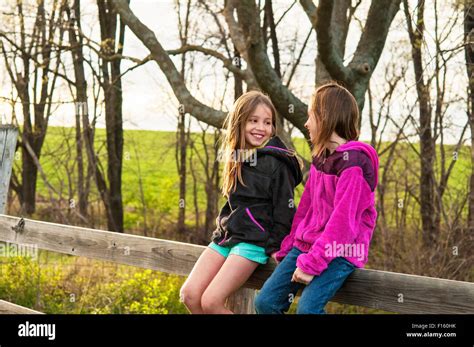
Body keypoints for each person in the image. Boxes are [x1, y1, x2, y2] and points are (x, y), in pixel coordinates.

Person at [255, 82, 379, 314]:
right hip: (308, 246)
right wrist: (290, 245)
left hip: (342, 250)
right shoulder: (321, 158)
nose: (306, 123)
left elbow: (343, 225)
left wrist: (313, 263)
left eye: (310, 116)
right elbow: (306, 210)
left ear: (326, 117)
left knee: (308, 310)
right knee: (265, 302)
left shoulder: (354, 164)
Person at [180, 90, 302, 314]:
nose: (261, 127)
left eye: (267, 122)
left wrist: (275, 246)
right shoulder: (238, 158)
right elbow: (231, 204)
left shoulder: (277, 163)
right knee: (189, 294)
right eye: (253, 121)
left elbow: (285, 211)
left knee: (211, 302)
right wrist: (221, 229)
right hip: (227, 238)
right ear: (239, 122)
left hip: (254, 241)